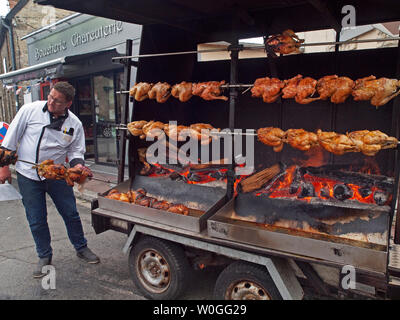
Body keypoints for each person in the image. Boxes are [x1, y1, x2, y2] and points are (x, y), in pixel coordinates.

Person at [0, 81, 100, 278]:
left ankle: (81, 247)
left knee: (71, 213)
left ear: (68, 104)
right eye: (51, 97)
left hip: (57, 175)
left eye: (57, 101)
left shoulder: (74, 124)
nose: (51, 102)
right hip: (28, 174)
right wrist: (3, 168)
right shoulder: (30, 110)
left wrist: (78, 165)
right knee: (36, 219)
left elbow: (75, 150)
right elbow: (9, 141)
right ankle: (44, 255)